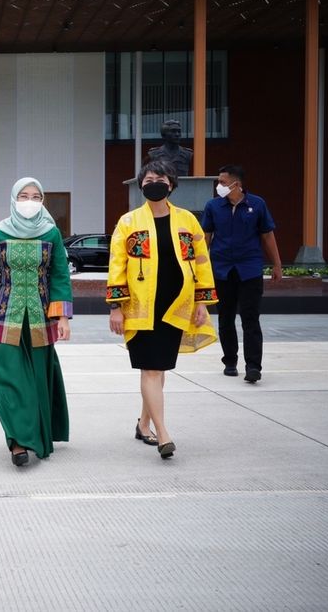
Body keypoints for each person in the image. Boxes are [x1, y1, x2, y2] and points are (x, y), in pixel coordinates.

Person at [108, 160, 218, 460]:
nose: (153, 182)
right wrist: (116, 307)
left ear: (171, 184)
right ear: (141, 184)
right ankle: (163, 434)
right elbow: (117, 265)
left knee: (159, 368)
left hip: (175, 307)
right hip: (141, 308)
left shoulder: (188, 222)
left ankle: (143, 424)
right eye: (148, 178)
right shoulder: (128, 222)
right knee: (152, 369)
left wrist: (201, 303)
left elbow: (201, 263)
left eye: (160, 178)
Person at [0, 178, 73, 466]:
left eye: (35, 196)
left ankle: (34, 435)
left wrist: (63, 317)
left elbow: (59, 276)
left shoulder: (51, 233)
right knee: (4, 377)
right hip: (7, 317)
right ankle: (17, 439)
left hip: (41, 319)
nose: (29, 201)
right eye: (23, 195)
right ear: (13, 198)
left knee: (37, 379)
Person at [201, 164, 282, 384]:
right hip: (222, 270)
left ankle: (253, 366)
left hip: (249, 270)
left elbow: (267, 236)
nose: (219, 186)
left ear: (237, 184)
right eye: (219, 182)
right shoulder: (213, 206)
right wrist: (200, 269)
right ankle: (230, 361)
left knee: (250, 319)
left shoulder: (257, 204)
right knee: (226, 318)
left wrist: (277, 264)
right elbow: (205, 238)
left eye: (223, 182)